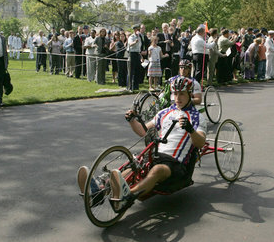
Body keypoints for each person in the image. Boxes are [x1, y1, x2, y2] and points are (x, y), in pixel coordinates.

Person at [76, 77, 207, 210]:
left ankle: (127, 197)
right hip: (157, 154)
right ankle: (98, 192)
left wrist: (190, 129)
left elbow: (201, 142)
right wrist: (132, 120)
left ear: (190, 95)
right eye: (175, 93)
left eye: (182, 94)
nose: (177, 97)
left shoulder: (197, 117)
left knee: (157, 170)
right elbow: (143, 131)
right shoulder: (165, 112)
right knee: (135, 164)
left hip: (176, 164)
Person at [128, 24, 142, 90]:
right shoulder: (131, 37)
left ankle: (136, 86)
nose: (138, 30)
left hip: (137, 54)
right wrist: (135, 42)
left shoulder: (139, 37)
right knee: (131, 71)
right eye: (137, 29)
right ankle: (130, 86)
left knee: (137, 70)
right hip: (132, 53)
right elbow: (130, 44)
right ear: (134, 30)